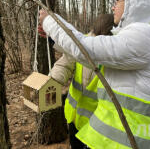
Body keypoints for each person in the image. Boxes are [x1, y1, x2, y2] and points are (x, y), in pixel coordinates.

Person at [39, 0, 150, 148]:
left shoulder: (145, 37)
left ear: (137, 3)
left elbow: (85, 49)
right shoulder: (145, 37)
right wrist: (54, 36)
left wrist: (50, 21)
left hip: (135, 141)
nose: (113, 6)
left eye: (118, 0)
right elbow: (85, 54)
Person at [49, 14, 114, 149]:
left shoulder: (116, 57)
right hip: (74, 119)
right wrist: (53, 82)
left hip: (99, 126)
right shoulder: (81, 44)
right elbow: (64, 64)